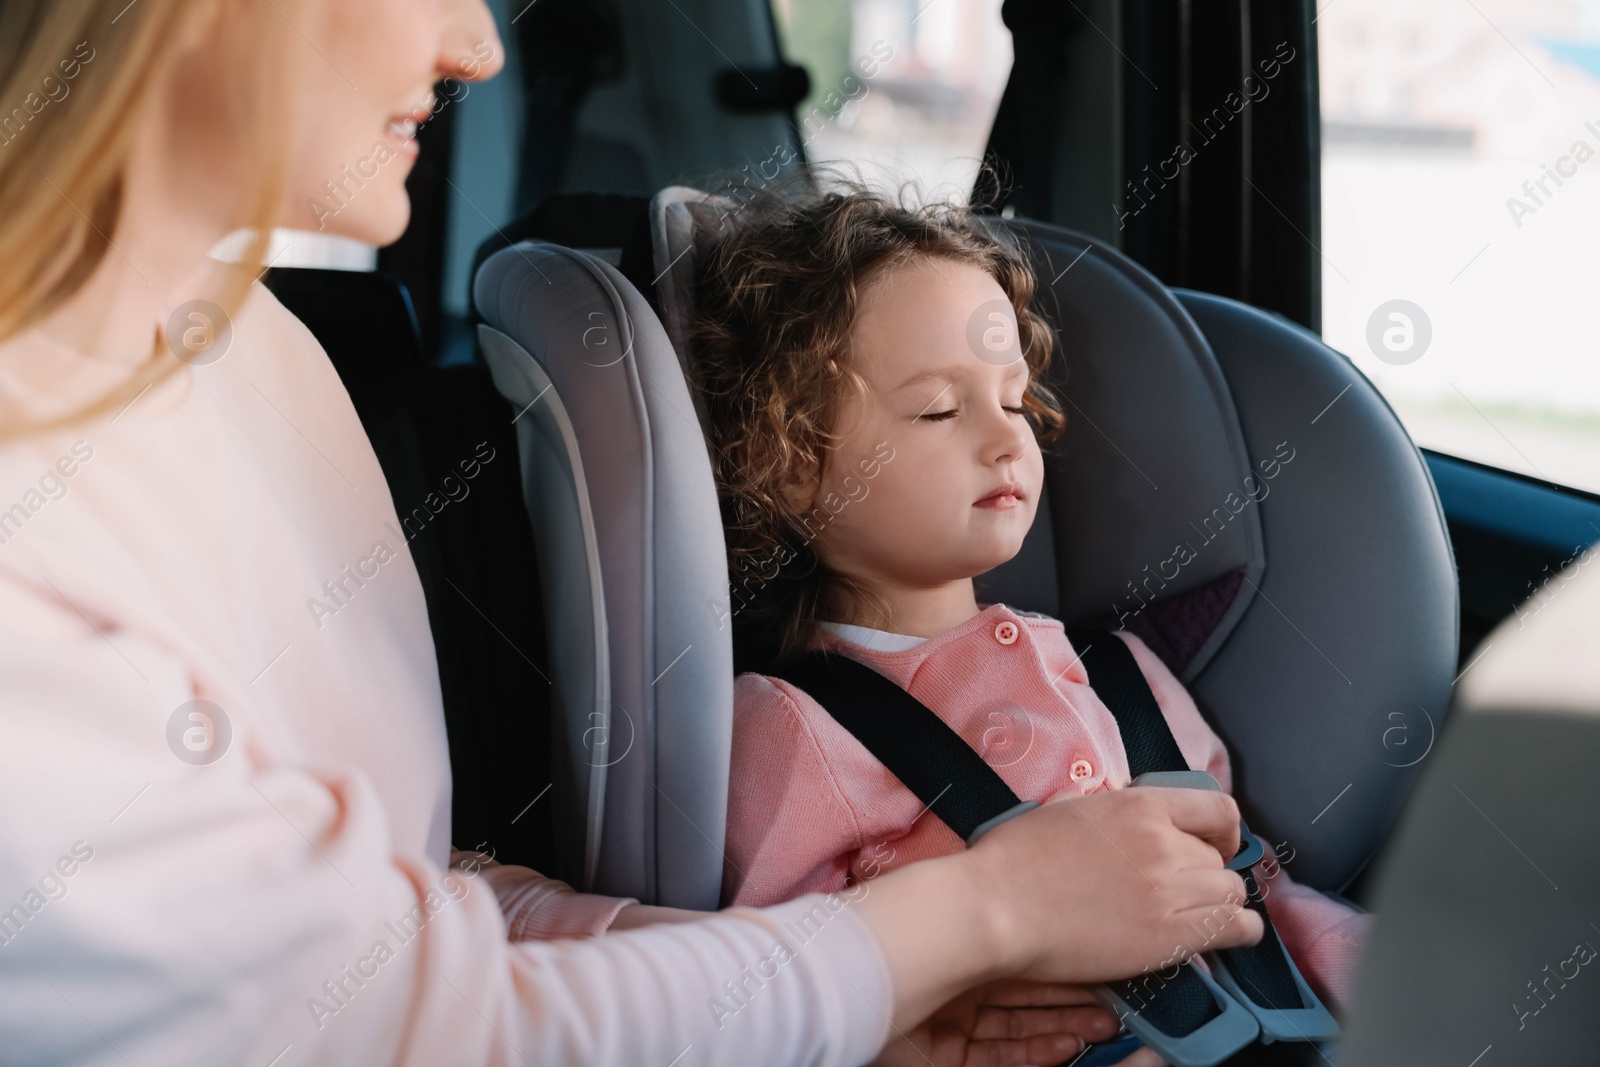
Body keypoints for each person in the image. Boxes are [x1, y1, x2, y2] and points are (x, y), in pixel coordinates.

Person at [0, 2, 1263, 1064]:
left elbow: (400, 910)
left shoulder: (254, 353)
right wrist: (972, 916)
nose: (476, 48)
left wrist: (845, 1000)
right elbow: (412, 1033)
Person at [692, 184, 1371, 1061]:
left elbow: (1244, 879)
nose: (1006, 438)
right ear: (787, 464)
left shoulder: (1120, 674)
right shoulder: (796, 727)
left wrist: (1354, 954)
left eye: (1014, 400)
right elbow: (785, 993)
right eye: (940, 409)